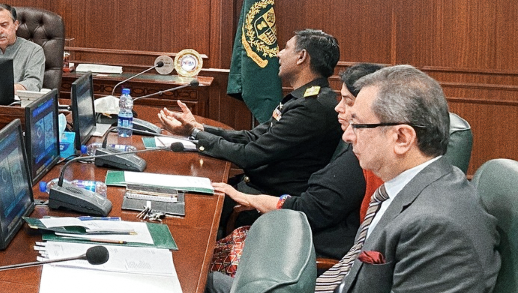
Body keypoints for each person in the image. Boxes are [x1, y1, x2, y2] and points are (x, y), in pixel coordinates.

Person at [316, 65, 499, 293]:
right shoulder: (404, 188)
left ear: (402, 138)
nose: (347, 135)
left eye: (358, 125)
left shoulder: (435, 228)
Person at [204, 63, 384, 293]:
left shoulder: (361, 160)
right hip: (300, 236)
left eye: (348, 102)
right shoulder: (354, 149)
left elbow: (310, 211)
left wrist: (248, 199)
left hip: (307, 253)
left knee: (205, 277)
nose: (338, 108)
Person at [158, 29, 343, 197]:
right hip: (254, 186)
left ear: (301, 57)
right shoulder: (304, 98)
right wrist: (200, 128)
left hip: (266, 198)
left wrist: (194, 133)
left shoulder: (310, 107)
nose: (278, 54)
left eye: (286, 48)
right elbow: (252, 137)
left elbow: (250, 155)